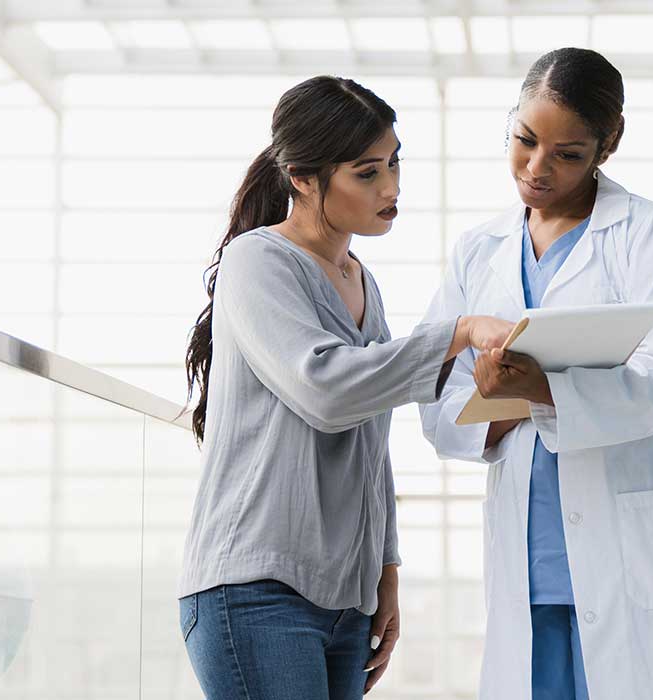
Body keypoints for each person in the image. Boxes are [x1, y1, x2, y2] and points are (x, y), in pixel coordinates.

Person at [417, 49, 653, 699]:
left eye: (567, 154)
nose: (537, 169)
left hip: (635, 547)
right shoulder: (478, 251)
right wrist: (504, 396)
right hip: (531, 557)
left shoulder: (649, 233)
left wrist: (537, 388)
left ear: (609, 144)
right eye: (524, 140)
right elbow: (437, 399)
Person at [176, 76, 514, 700]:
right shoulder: (259, 261)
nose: (390, 188)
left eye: (393, 164)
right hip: (255, 590)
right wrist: (458, 333)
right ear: (304, 178)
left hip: (346, 602)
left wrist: (384, 576)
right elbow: (326, 391)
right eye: (366, 173)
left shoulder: (362, 282)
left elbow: (368, 443)